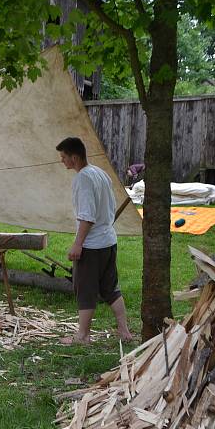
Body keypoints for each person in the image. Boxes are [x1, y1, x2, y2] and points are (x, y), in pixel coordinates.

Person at [56, 137, 133, 345]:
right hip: (108, 240)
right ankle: (124, 331)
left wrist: (78, 244)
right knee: (110, 287)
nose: (62, 161)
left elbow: (87, 216)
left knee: (85, 290)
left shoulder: (83, 178)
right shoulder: (100, 173)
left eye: (64, 157)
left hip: (93, 245)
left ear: (74, 157)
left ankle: (82, 336)